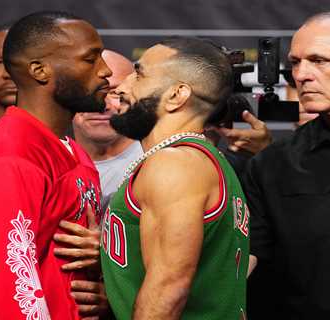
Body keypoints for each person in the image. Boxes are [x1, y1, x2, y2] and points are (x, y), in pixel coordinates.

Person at [0, 11, 112, 319]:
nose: (105, 71)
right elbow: (2, 286)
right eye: (90, 59)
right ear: (40, 70)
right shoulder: (8, 154)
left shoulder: (71, 151)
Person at [100, 37, 249, 319]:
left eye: (139, 74)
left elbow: (168, 291)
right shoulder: (201, 159)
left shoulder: (174, 164)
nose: (120, 87)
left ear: (176, 95)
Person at [244, 11, 330, 319]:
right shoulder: (272, 166)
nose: (301, 75)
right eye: (295, 62)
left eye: (319, 60)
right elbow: (242, 263)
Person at [73, 49, 143, 211]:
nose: (102, 105)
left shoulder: (155, 165)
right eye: (89, 92)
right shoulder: (50, 165)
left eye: (114, 92)